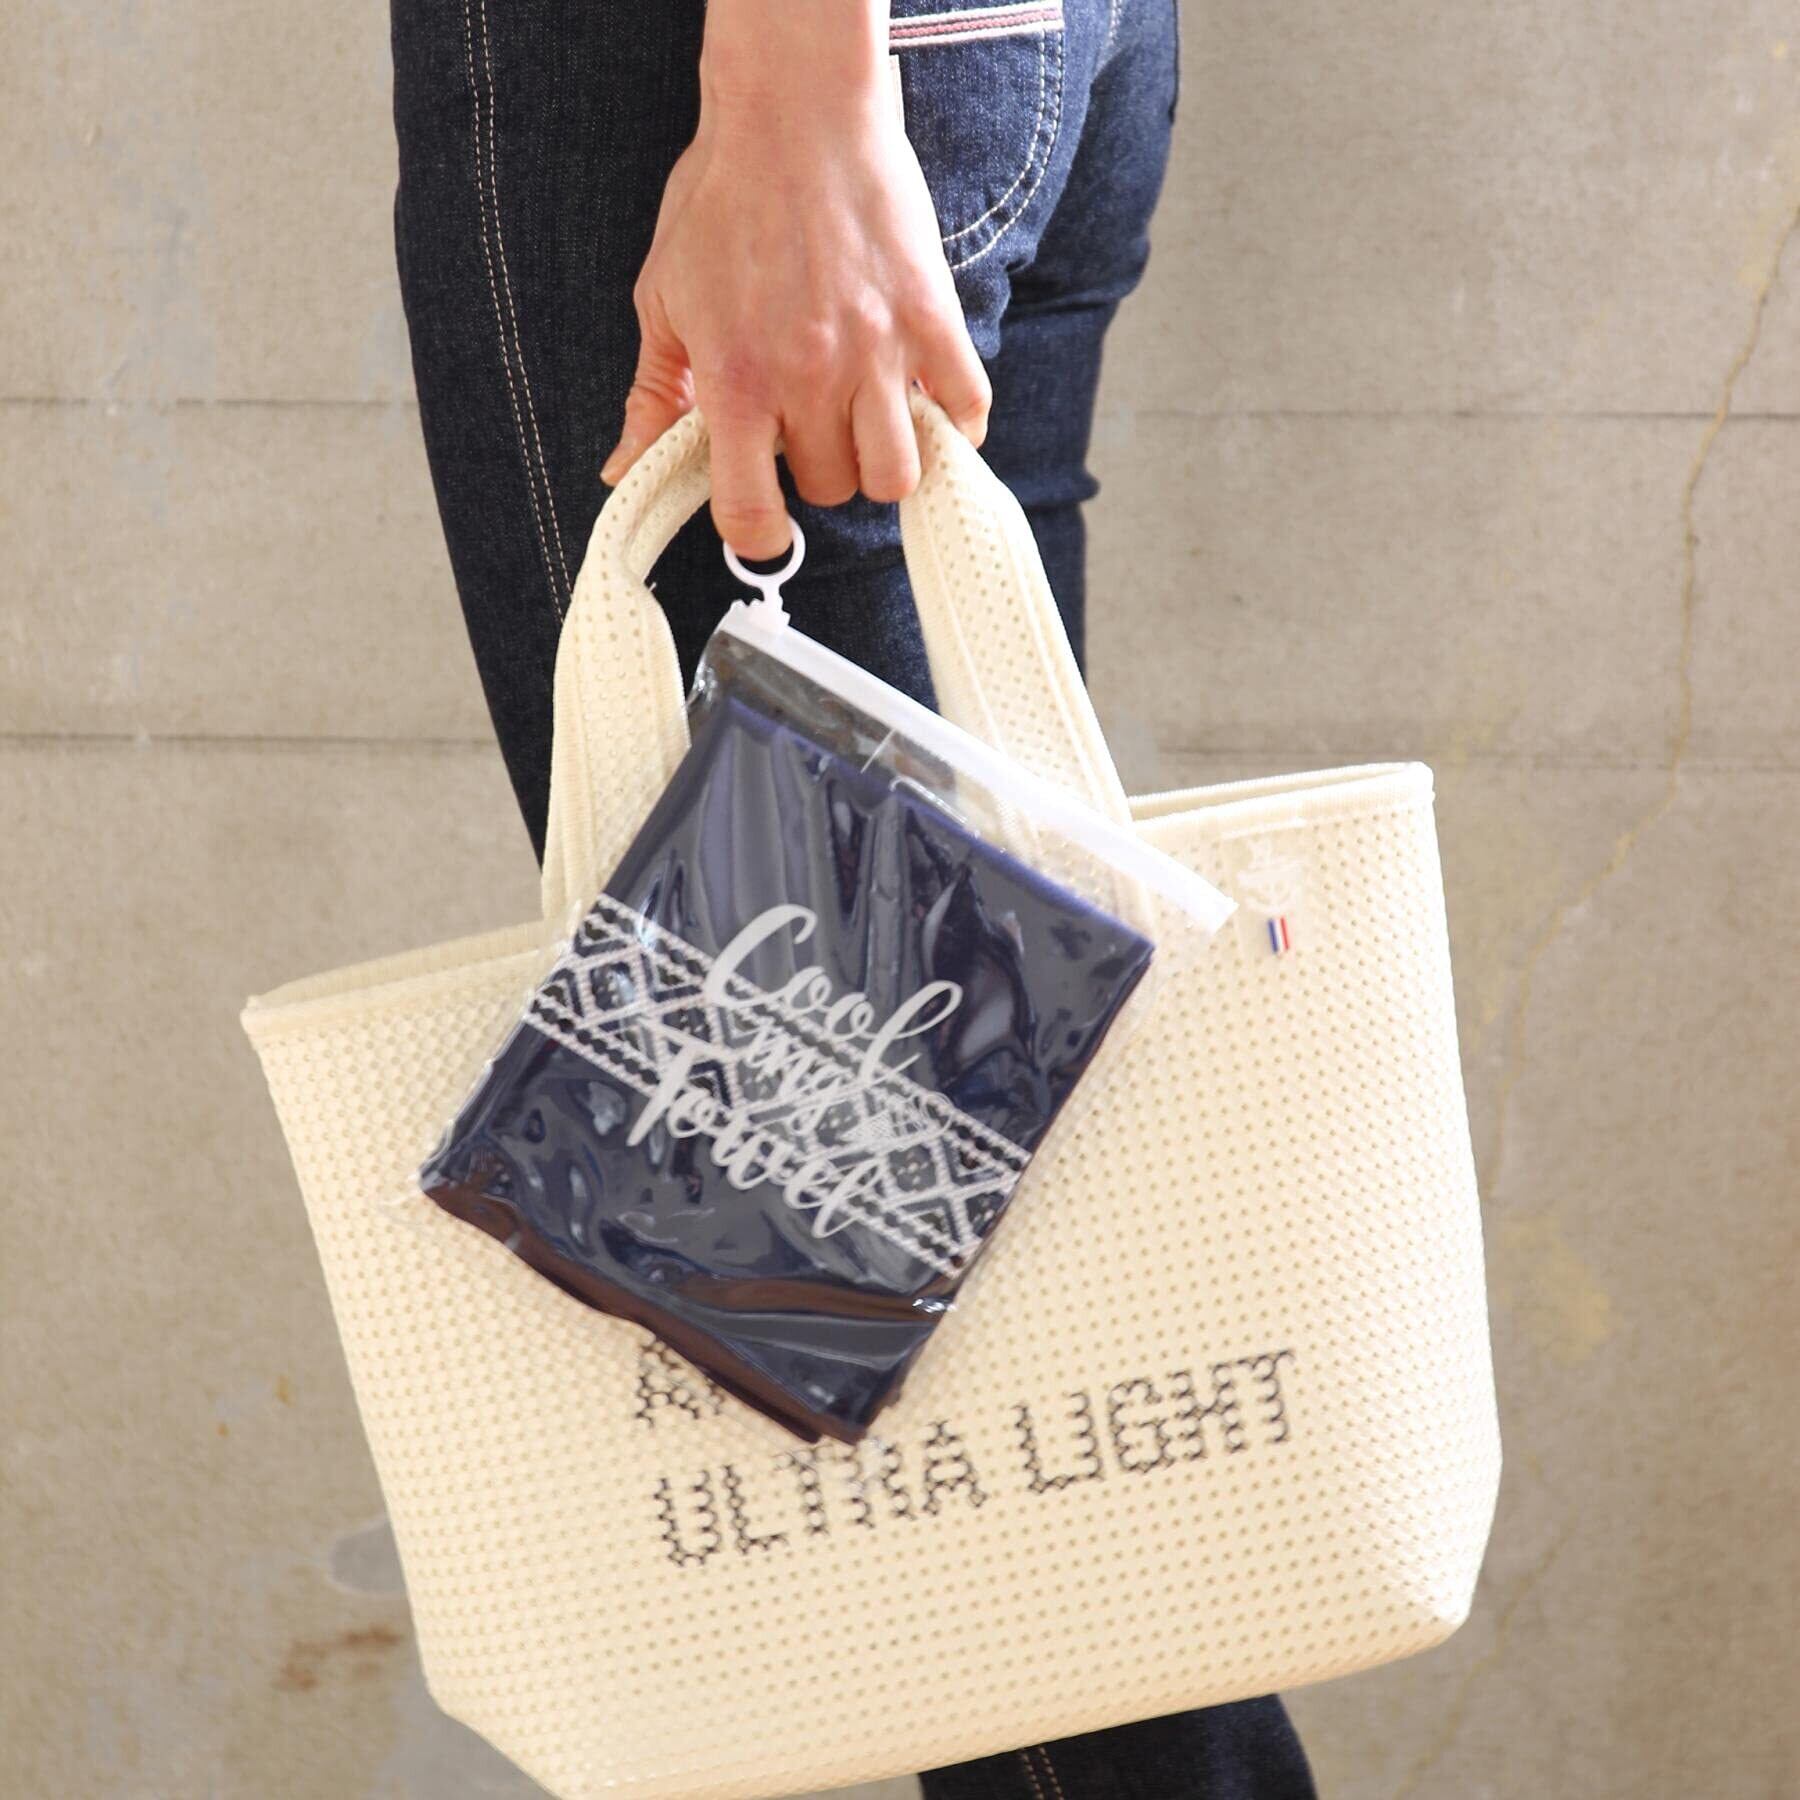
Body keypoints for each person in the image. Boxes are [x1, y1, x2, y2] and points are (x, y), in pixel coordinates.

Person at [388, 1, 1317, 1793]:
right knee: (1025, 1376)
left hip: (723, 73)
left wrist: (789, 98)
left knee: (963, 1452)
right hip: (933, 57)